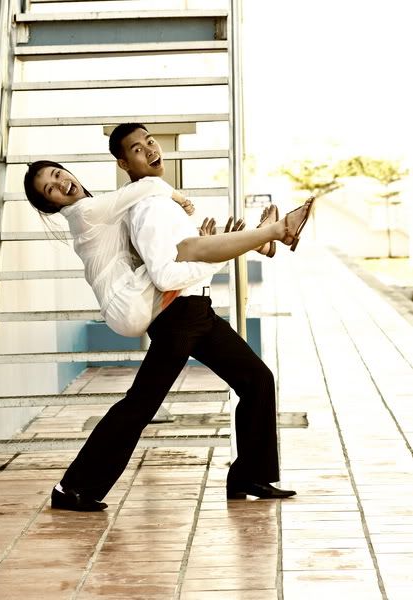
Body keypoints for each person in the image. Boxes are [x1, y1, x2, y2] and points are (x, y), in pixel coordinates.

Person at [24, 143, 314, 510]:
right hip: (163, 313)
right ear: (51, 205)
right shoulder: (86, 211)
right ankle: (72, 487)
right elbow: (147, 191)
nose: (60, 183)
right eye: (50, 189)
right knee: (141, 403)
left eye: (57, 174)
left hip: (191, 312)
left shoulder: (108, 211)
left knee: (256, 379)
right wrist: (180, 199)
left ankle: (250, 475)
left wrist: (204, 238)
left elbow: (156, 245)